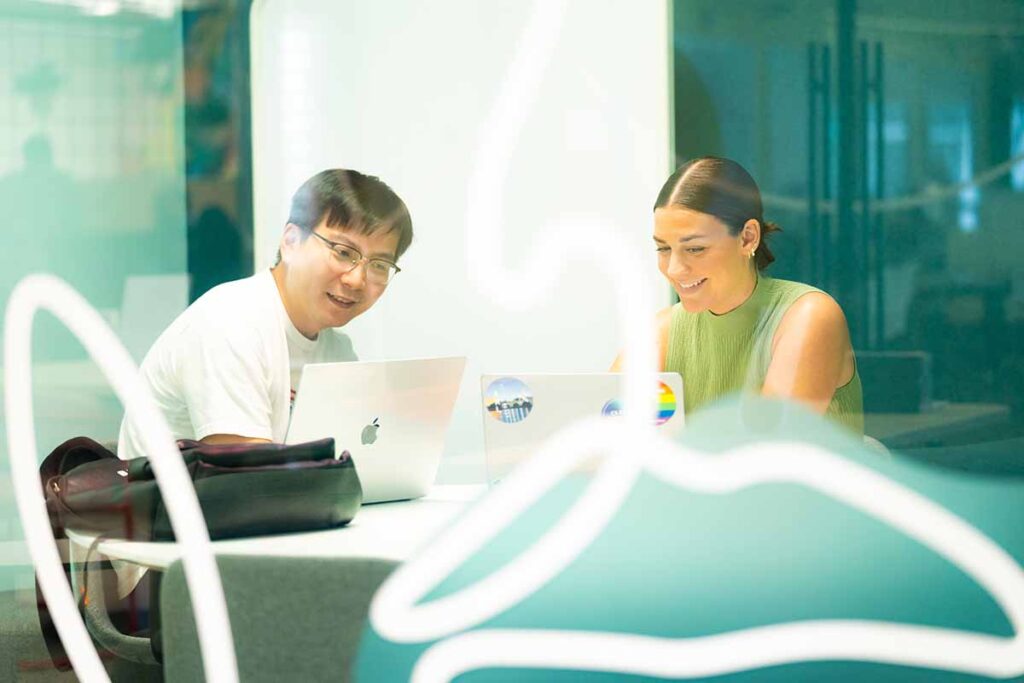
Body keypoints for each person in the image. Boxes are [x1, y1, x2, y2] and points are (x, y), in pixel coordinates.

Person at [118, 169, 413, 459]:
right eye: (343, 252)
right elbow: (249, 479)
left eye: (378, 265)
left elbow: (351, 463)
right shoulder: (230, 323)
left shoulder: (337, 350)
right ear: (291, 242)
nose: (356, 280)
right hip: (174, 506)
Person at [613, 156, 862, 433]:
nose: (674, 269)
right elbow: (599, 430)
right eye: (663, 249)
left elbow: (771, 449)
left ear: (748, 238)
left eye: (695, 249)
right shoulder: (662, 332)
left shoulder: (810, 316)